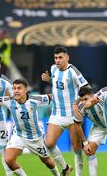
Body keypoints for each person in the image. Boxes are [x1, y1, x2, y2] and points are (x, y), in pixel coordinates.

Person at [41, 45, 89, 176]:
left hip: (72, 115)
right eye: (55, 58)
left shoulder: (73, 71)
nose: (57, 60)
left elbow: (87, 89)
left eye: (60, 57)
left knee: (77, 148)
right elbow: (59, 84)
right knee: (49, 144)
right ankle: (66, 168)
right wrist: (49, 80)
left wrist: (77, 102)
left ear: (67, 58)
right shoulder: (53, 69)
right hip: (57, 114)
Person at [73, 86, 107, 176]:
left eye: (85, 99)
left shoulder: (101, 101)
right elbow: (76, 125)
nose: (83, 102)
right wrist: (85, 143)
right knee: (90, 151)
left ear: (92, 96)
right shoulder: (80, 108)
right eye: (81, 100)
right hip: (99, 127)